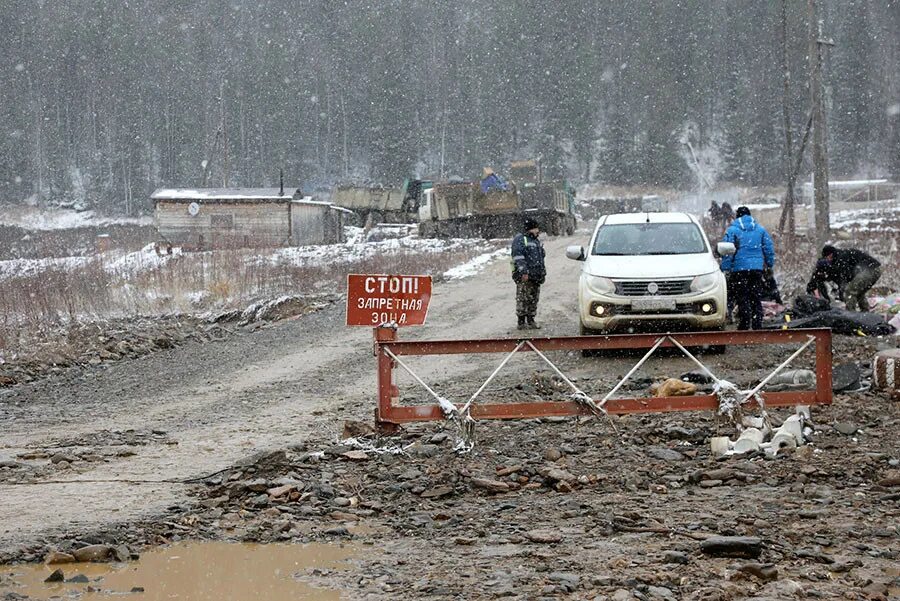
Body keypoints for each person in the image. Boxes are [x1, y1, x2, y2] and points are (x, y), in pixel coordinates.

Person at [720, 206, 775, 330]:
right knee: (755, 296)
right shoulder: (760, 230)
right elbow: (768, 248)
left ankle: (744, 324)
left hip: (739, 269)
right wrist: (769, 264)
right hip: (756, 269)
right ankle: (757, 324)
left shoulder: (732, 230)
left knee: (742, 296)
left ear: (737, 216)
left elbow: (727, 251)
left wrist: (725, 267)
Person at [806, 245, 881, 312]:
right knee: (858, 292)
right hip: (874, 269)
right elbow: (815, 279)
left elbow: (846, 277)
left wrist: (842, 292)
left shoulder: (841, 258)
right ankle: (865, 314)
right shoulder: (833, 263)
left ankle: (851, 317)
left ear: (831, 254)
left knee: (850, 291)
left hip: (870, 269)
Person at [511, 217, 546, 330]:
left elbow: (540, 258)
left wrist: (542, 273)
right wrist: (523, 272)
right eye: (536, 228)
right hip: (525, 276)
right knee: (523, 298)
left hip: (536, 275)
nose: (538, 231)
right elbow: (518, 257)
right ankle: (521, 322)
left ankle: (531, 320)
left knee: (533, 298)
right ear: (531, 229)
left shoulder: (535, 240)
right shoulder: (521, 239)